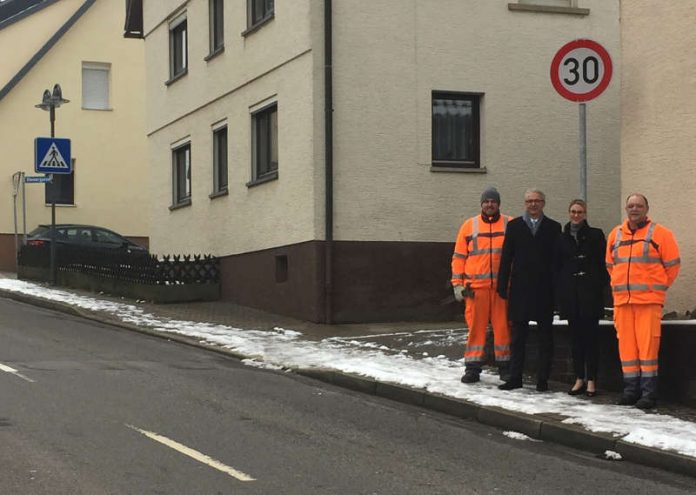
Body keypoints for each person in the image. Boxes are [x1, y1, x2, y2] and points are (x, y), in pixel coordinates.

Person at [606, 193, 680, 409]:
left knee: (647, 350)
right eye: (631, 206)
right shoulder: (615, 235)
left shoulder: (661, 234)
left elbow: (672, 265)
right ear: (626, 209)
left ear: (647, 209)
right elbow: (610, 265)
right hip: (623, 303)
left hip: (648, 302)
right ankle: (630, 391)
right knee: (627, 350)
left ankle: (648, 394)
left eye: (639, 206)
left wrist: (656, 289)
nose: (634, 209)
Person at [497, 189, 561, 391]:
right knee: (518, 337)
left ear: (543, 203)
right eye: (529, 201)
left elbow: (558, 262)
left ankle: (543, 379)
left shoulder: (553, 227)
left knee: (545, 338)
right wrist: (502, 285)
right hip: (520, 290)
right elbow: (507, 257)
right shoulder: (515, 226)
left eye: (537, 201)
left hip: (544, 291)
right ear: (525, 204)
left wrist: (558, 290)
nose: (533, 205)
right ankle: (515, 377)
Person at [451, 187, 512, 384]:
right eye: (486, 201)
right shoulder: (469, 226)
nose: (489, 204)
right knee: (475, 330)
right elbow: (459, 258)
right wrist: (457, 284)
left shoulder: (510, 224)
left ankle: (505, 368)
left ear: (498, 204)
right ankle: (472, 369)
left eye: (493, 201)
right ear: (481, 204)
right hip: (475, 290)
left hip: (502, 289)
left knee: (503, 329)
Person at [553, 199, 609, 397]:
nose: (576, 215)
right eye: (573, 211)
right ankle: (579, 378)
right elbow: (558, 266)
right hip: (571, 296)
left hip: (590, 295)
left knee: (591, 338)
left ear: (585, 214)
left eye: (580, 212)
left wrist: (596, 284)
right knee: (575, 339)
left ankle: (592, 379)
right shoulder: (561, 238)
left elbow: (604, 263)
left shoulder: (595, 235)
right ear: (569, 213)